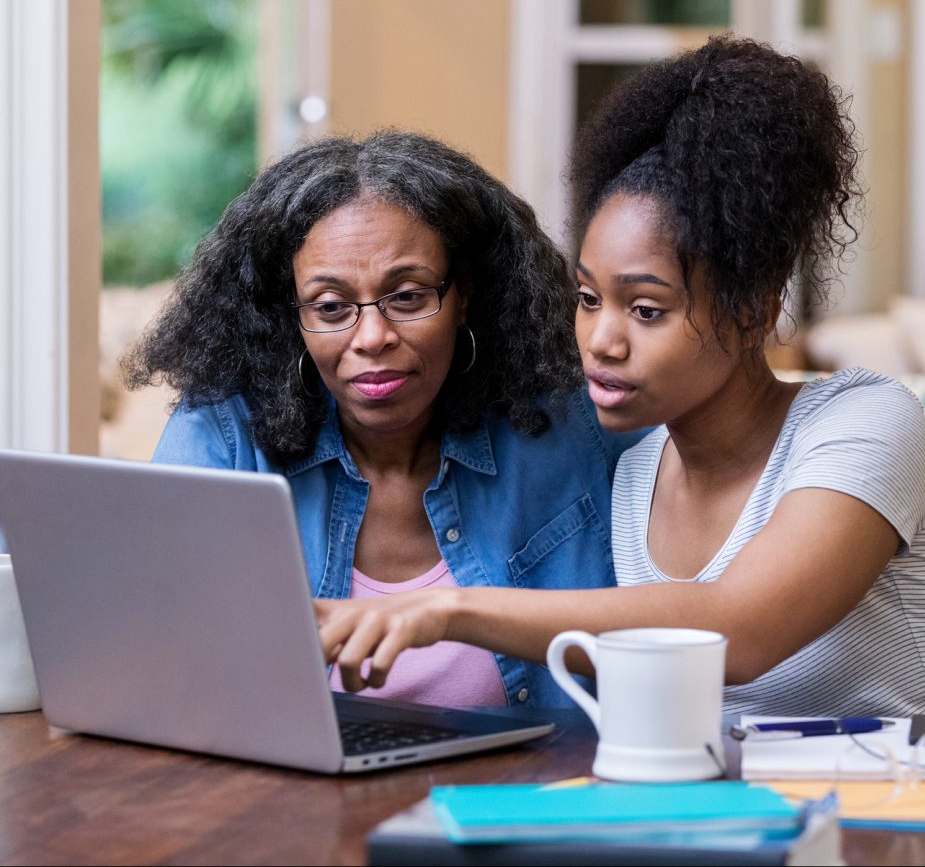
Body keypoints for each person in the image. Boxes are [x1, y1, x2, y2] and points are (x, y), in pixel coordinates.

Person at [315, 36, 925, 717]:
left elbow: (741, 627)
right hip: (734, 816)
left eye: (646, 309)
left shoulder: (866, 419)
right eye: (587, 299)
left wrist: (447, 609)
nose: (601, 342)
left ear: (754, 308)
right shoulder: (631, 469)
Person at [124, 132, 641, 709]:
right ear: (288, 313)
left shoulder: (576, 425)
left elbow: (689, 622)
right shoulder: (224, 436)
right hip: (292, 793)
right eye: (329, 307)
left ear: (464, 294)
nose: (372, 337)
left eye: (409, 297)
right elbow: (159, 659)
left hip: (537, 793)